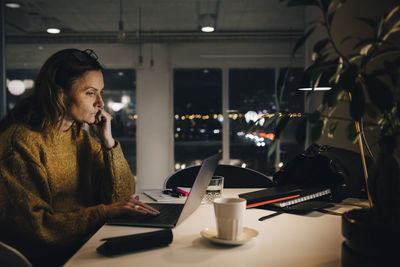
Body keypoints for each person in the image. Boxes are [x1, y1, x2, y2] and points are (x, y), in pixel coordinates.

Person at [0, 48, 159, 266]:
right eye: (90, 93)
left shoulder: (77, 136)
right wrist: (103, 213)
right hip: (53, 258)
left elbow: (121, 196)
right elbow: (39, 229)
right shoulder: (19, 145)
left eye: (100, 92)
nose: (100, 103)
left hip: (85, 244)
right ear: (59, 93)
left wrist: (108, 143)